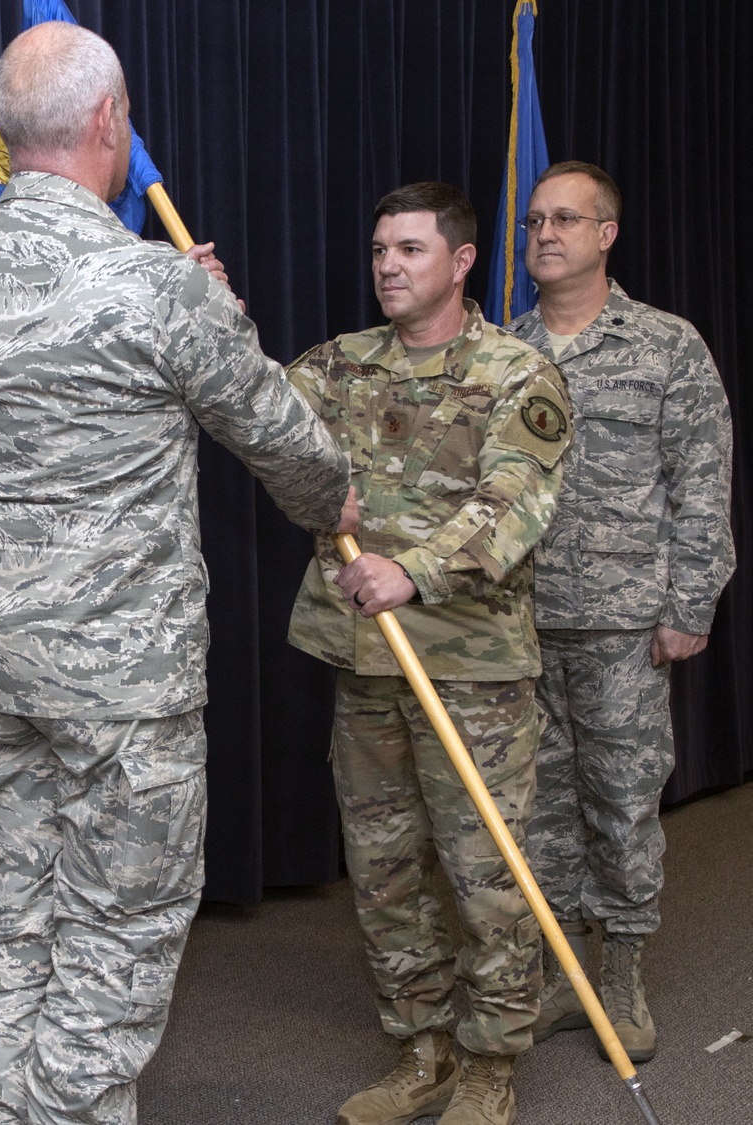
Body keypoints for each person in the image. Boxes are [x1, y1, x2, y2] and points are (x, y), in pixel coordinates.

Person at [0, 21, 356, 1125]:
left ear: (8, 141)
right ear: (111, 122)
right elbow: (283, 441)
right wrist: (328, 499)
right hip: (118, 686)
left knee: (17, 921)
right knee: (112, 934)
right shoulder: (154, 286)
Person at [287, 182, 573, 1125]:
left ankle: (494, 1060)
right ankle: (423, 1048)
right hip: (365, 662)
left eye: (410, 249)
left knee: (488, 873)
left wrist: (413, 568)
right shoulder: (337, 365)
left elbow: (516, 504)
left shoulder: (515, 371)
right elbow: (258, 418)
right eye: (379, 250)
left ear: (460, 260)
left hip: (473, 668)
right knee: (385, 869)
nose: (388, 267)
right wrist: (215, 317)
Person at [505, 161, 735, 1062]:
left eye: (566, 220)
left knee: (623, 799)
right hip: (519, 621)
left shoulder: (665, 345)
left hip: (624, 622)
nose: (546, 235)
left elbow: (702, 483)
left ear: (607, 235)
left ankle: (624, 973)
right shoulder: (505, 346)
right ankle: (564, 972)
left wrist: (691, 601)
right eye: (533, 222)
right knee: (543, 806)